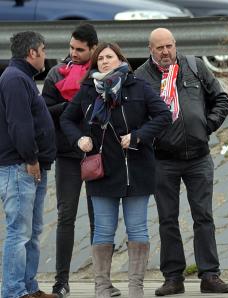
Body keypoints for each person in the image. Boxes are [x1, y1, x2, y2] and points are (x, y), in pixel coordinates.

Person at [60, 42, 171, 298]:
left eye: (109, 57)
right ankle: (101, 288)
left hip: (136, 169)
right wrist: (79, 140)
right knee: (103, 230)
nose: (104, 62)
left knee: (138, 229)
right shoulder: (89, 89)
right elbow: (66, 118)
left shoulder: (138, 86)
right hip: (101, 171)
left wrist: (139, 136)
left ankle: (135, 289)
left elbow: (163, 116)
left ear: (120, 59)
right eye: (100, 59)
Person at [133, 28, 228, 296]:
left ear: (175, 45)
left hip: (198, 158)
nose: (165, 52)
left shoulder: (195, 66)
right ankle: (173, 277)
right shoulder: (140, 77)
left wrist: (207, 126)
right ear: (150, 49)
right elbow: (135, 119)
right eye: (159, 48)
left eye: (169, 46)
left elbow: (222, 100)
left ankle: (210, 275)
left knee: (204, 217)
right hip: (162, 161)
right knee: (167, 219)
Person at [40, 23, 107, 298]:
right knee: (66, 217)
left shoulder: (102, 73)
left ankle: (102, 280)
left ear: (93, 49)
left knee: (98, 219)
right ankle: (61, 281)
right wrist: (72, 105)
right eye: (71, 48)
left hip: (96, 155)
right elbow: (44, 110)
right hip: (67, 155)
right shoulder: (58, 73)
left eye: (80, 50)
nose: (74, 53)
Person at [0, 31, 57, 298]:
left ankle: (29, 287)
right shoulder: (14, 80)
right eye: (43, 50)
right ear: (32, 52)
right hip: (20, 167)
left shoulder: (23, 79)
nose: (45, 55)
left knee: (32, 232)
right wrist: (31, 159)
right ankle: (13, 291)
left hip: (32, 167)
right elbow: (19, 124)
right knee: (19, 232)